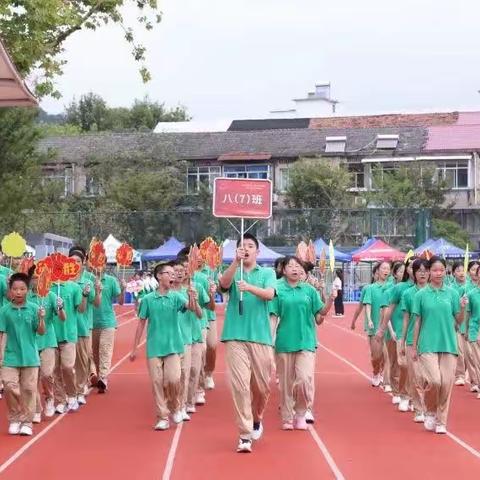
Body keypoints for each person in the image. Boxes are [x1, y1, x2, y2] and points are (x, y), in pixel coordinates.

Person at [219, 233, 276, 453]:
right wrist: (235, 262)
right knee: (240, 386)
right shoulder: (233, 270)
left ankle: (257, 417)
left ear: (257, 251)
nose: (247, 249)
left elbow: (270, 294)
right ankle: (244, 435)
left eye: (251, 246)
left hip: (260, 336)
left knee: (261, 387)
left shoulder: (267, 273)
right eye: (242, 246)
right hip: (235, 335)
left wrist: (249, 288)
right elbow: (223, 284)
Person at [130, 262, 201, 430]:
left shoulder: (176, 297)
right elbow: (141, 324)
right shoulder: (148, 299)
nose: (173, 275)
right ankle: (162, 416)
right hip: (154, 347)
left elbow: (193, 310)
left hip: (174, 346)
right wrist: (134, 348)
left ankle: (176, 407)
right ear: (159, 276)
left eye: (173, 273)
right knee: (157, 382)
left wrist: (192, 297)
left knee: (174, 379)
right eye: (168, 273)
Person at [270, 256, 335, 430]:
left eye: (298, 266)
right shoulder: (277, 289)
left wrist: (330, 300)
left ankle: (300, 413)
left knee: (305, 379)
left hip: (306, 341)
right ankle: (287, 416)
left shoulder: (309, 290)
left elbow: (321, 313)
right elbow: (273, 316)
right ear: (283, 270)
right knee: (286, 383)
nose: (295, 269)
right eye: (290, 266)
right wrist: (269, 341)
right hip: (284, 342)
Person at [412, 256, 467, 434]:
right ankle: (429, 410)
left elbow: (458, 321)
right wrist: (414, 346)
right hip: (427, 343)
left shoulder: (452, 293)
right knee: (435, 381)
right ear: (428, 272)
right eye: (434, 270)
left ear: (446, 271)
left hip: (448, 343)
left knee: (446, 384)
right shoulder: (421, 295)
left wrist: (463, 307)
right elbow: (418, 322)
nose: (438, 273)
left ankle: (441, 421)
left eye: (441, 270)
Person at [0, 273, 46, 436]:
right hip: (10, 357)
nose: (18, 292)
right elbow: (1, 333)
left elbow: (41, 331)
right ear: (10, 290)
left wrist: (41, 319)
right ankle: (14, 418)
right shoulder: (4, 311)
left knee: (28, 389)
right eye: (15, 289)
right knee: (9, 386)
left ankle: (26, 422)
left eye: (22, 289)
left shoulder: (34, 309)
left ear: (28, 290)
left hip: (30, 357)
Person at [28, 266, 65, 422]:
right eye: (34, 277)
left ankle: (49, 397)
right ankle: (36, 408)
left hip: (48, 340)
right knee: (32, 378)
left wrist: (60, 306)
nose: (37, 280)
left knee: (46, 373)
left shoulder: (51, 296)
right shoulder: (27, 298)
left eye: (40, 277)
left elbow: (63, 318)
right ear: (30, 280)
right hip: (31, 341)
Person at [378, 261, 414, 411]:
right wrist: (383, 328)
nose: (416, 269)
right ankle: (401, 392)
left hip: (420, 334)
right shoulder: (400, 288)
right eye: (411, 266)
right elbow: (389, 309)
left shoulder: (426, 289)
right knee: (402, 364)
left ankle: (412, 397)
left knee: (416, 369)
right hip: (401, 332)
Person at [399, 258, 430, 423]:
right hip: (413, 340)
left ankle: (429, 407)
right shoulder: (408, 294)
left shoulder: (435, 292)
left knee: (430, 378)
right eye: (419, 270)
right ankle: (419, 409)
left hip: (431, 341)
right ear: (413, 273)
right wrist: (403, 341)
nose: (422, 273)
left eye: (425, 270)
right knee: (416, 377)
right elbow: (405, 318)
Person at [70, 249, 101, 405]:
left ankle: (80, 389)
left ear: (83, 264)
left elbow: (95, 303)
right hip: (65, 328)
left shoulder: (88, 281)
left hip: (82, 327)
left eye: (77, 261)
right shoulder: (62, 282)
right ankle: (69, 391)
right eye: (72, 261)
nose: (74, 264)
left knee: (82, 361)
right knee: (66, 364)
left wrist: (97, 291)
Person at [53, 272, 86, 414]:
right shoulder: (46, 288)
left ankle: (72, 395)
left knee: (67, 367)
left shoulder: (73, 287)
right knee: (54, 371)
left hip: (68, 334)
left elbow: (81, 309)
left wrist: (84, 295)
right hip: (51, 336)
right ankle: (60, 400)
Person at [91, 269, 126, 393]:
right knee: (94, 354)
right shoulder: (86, 279)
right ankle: (96, 375)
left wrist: (123, 289)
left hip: (108, 322)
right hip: (91, 323)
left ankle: (103, 377)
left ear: (104, 264)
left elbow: (121, 302)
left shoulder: (111, 281)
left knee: (105, 349)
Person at [362, 261, 391, 387]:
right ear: (377, 271)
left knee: (387, 355)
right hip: (375, 327)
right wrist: (369, 320)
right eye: (383, 268)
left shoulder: (392, 287)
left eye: (388, 269)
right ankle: (376, 372)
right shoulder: (371, 288)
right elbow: (367, 305)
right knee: (376, 356)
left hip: (389, 326)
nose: (386, 271)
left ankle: (386, 376)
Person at [450, 262, 467, 386]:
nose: (461, 273)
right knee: (459, 350)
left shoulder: (470, 287)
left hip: (470, 323)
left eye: (463, 270)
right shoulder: (450, 288)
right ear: (453, 273)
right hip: (456, 323)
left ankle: (467, 372)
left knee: (468, 352)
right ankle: (460, 374)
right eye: (458, 270)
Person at [465, 264, 480, 397]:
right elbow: (468, 314)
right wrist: (466, 330)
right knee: (477, 360)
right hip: (475, 330)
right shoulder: (471, 294)